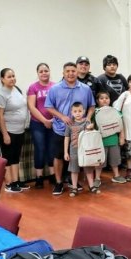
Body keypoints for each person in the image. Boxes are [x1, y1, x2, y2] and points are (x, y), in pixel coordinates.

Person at [45, 62, 95, 195]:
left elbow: (91, 106)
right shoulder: (55, 89)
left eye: (73, 71)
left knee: (78, 156)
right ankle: (59, 182)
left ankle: (74, 182)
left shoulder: (85, 88)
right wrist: (62, 117)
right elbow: (49, 107)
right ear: (63, 73)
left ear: (77, 72)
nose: (70, 73)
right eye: (67, 71)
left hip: (81, 131)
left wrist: (88, 117)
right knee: (59, 156)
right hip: (61, 129)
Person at [0, 68, 29, 193]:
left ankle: (16, 180)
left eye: (13, 76)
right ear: (2, 79)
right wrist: (5, 134)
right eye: (9, 76)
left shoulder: (16, 90)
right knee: (8, 157)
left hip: (19, 130)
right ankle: (9, 183)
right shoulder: (0, 94)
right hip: (7, 131)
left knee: (15, 156)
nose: (12, 78)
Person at [27, 63, 55, 189]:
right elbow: (31, 107)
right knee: (40, 149)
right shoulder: (33, 87)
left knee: (52, 149)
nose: (44, 73)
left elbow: (58, 104)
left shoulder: (55, 86)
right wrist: (44, 120)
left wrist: (53, 119)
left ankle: (53, 175)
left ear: (49, 72)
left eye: (46, 70)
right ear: (37, 73)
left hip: (54, 123)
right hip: (37, 123)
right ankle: (39, 177)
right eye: (41, 71)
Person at [64, 102, 99, 197]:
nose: (78, 113)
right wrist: (65, 152)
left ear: (83, 111)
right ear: (71, 112)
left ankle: (91, 186)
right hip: (74, 150)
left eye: (80, 111)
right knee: (74, 170)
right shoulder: (69, 124)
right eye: (75, 111)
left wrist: (90, 128)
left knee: (88, 169)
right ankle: (74, 187)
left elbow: (91, 134)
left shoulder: (86, 122)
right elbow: (66, 137)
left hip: (85, 150)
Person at [92, 91, 126, 185]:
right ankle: (97, 178)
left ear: (110, 99)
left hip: (113, 139)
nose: (104, 100)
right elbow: (92, 125)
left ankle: (116, 175)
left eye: (106, 98)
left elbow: (121, 124)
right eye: (101, 98)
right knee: (99, 161)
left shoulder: (115, 111)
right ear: (97, 100)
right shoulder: (95, 112)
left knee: (115, 159)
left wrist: (122, 137)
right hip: (100, 141)